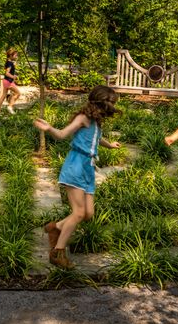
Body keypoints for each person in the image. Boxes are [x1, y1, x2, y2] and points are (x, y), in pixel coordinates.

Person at [34, 85, 121, 269]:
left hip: (88, 169)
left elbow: (96, 138)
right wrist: (49, 128)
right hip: (75, 166)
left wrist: (110, 144)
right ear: (102, 102)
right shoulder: (83, 118)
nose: (113, 108)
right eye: (112, 103)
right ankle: (58, 252)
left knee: (88, 214)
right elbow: (63, 134)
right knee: (78, 213)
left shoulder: (97, 121)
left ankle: (55, 227)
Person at [0, 48, 21, 115]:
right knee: (18, 93)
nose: (16, 57)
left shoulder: (8, 62)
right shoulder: (9, 63)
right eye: (15, 55)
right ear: (11, 55)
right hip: (8, 82)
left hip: (6, 81)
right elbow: (7, 73)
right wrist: (13, 77)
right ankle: (10, 106)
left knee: (4, 95)